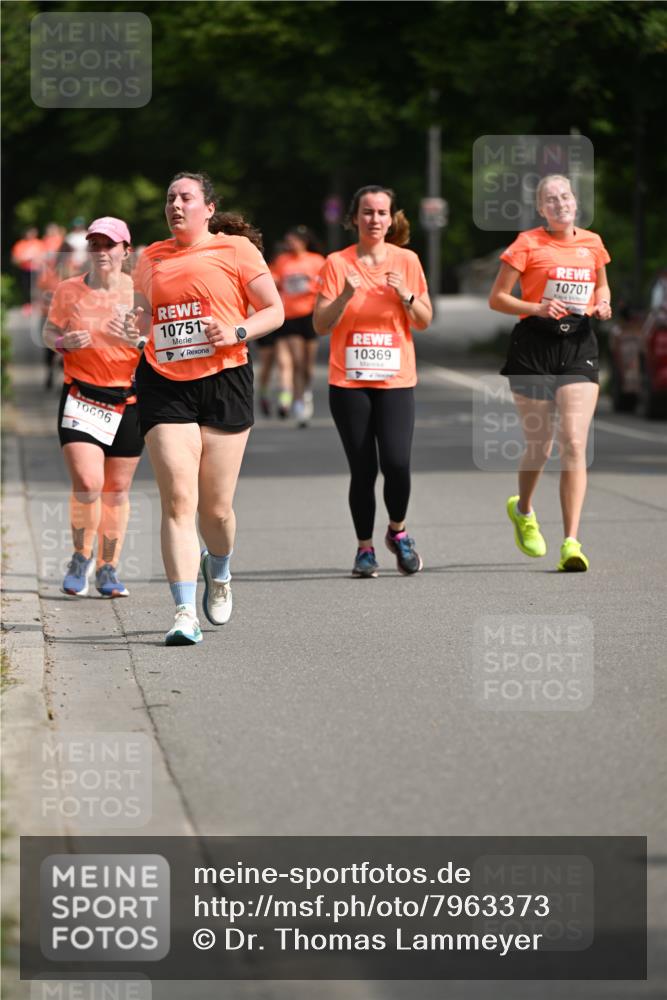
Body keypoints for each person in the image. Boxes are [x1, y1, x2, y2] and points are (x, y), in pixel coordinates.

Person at [127, 171, 283, 645]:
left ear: (209, 208)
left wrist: (235, 330)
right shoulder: (149, 258)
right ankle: (182, 612)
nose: (175, 205)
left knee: (214, 511)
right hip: (164, 383)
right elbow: (143, 316)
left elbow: (273, 310)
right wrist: (136, 327)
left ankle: (220, 569)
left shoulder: (236, 251)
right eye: (170, 197)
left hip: (225, 380)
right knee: (178, 500)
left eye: (186, 198)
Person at [488, 173, 612, 572]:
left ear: (575, 202)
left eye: (565, 196)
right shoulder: (527, 244)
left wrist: (603, 304)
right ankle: (523, 509)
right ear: (541, 209)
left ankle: (571, 543)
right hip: (534, 347)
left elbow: (601, 288)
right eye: (551, 200)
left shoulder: (592, 243)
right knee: (540, 444)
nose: (560, 204)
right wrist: (537, 307)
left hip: (578, 345)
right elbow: (499, 299)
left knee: (574, 442)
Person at [313, 185, 432, 578]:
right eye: (367, 212)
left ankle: (397, 532)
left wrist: (406, 296)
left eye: (382, 213)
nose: (375, 220)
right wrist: (345, 295)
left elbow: (425, 320)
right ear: (354, 218)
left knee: (397, 462)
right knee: (363, 470)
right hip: (349, 382)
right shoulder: (336, 263)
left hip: (396, 380)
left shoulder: (408, 261)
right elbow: (319, 324)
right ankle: (364, 549)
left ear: (392, 218)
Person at [43, 217, 144, 597]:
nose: (102, 251)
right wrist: (65, 341)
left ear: (126, 251)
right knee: (88, 483)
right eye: (96, 244)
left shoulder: (141, 292)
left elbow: (154, 345)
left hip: (127, 400)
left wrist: (137, 340)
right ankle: (80, 557)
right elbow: (48, 333)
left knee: (116, 491)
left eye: (110, 245)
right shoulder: (68, 290)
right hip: (82, 396)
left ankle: (108, 567)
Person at [270, 226, 325, 426]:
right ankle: (297, 403)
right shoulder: (283, 260)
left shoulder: (316, 261)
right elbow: (272, 279)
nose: (289, 244)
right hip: (289, 315)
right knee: (294, 360)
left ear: (303, 241)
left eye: (292, 240)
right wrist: (275, 281)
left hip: (309, 315)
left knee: (307, 366)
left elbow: (325, 284)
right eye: (287, 241)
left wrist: (311, 284)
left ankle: (305, 394)